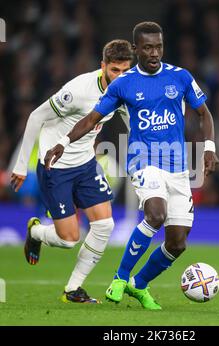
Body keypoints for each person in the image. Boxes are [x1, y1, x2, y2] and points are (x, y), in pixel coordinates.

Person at [44, 22, 219, 310]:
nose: (154, 53)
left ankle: (138, 285)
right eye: (148, 47)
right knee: (156, 214)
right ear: (136, 49)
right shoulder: (123, 84)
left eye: (159, 47)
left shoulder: (180, 77)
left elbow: (204, 113)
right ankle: (120, 277)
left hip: (177, 167)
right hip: (143, 161)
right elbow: (91, 119)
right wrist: (63, 142)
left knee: (177, 244)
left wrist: (209, 147)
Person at [10, 40, 134, 303]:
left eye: (126, 70)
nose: (120, 77)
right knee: (69, 240)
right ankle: (35, 233)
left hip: (86, 164)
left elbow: (129, 119)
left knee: (104, 225)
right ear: (103, 67)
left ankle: (72, 290)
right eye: (115, 70)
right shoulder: (78, 90)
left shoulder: (126, 89)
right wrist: (21, 166)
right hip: (56, 167)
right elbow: (36, 117)